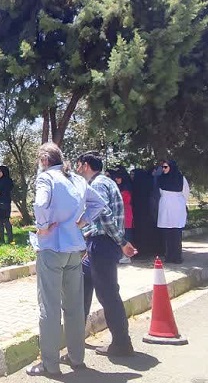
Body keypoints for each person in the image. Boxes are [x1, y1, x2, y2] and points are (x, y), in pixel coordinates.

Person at [27, 143, 107, 376]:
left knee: (49, 307)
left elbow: (40, 204)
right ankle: (76, 357)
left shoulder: (46, 178)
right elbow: (99, 203)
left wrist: (42, 227)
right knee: (74, 307)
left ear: (44, 160)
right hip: (75, 249)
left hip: (51, 248)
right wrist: (82, 222)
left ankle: (50, 365)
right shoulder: (77, 180)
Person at [75, 153, 138, 358]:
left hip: (102, 244)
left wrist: (122, 242)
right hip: (98, 244)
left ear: (85, 165)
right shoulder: (105, 182)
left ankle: (122, 344)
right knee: (84, 286)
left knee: (108, 295)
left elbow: (103, 214)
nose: (77, 170)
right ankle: (76, 339)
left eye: (78, 165)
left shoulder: (98, 184)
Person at [156, 160, 190, 264]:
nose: (163, 169)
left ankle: (177, 256)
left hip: (177, 207)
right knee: (167, 233)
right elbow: (159, 192)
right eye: (163, 167)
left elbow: (186, 192)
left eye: (166, 167)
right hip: (166, 206)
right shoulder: (161, 178)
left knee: (176, 233)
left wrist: (180, 201)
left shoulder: (181, 178)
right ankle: (169, 256)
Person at [110, 168, 134, 264]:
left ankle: (127, 255)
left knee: (126, 235)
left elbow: (125, 201)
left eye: (118, 177)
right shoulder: (117, 187)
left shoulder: (127, 188)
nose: (117, 179)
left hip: (126, 213)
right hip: (119, 214)